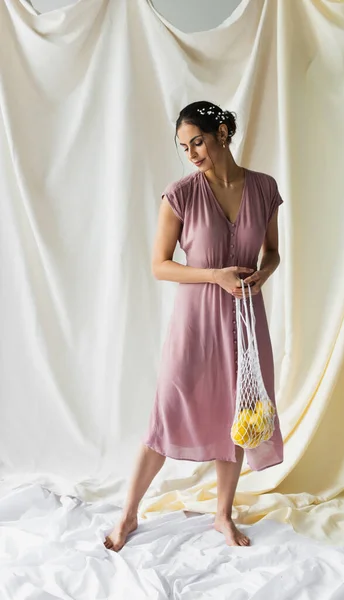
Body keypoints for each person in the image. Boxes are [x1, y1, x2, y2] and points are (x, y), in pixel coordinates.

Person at [104, 100, 284, 551]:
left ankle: (222, 515)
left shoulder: (264, 188)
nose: (192, 153)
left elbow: (273, 251)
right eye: (185, 147)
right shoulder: (180, 193)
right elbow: (159, 265)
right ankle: (127, 515)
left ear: (222, 132)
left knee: (238, 415)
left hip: (245, 319)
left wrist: (263, 273)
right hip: (195, 321)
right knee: (168, 412)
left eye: (197, 141)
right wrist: (214, 276)